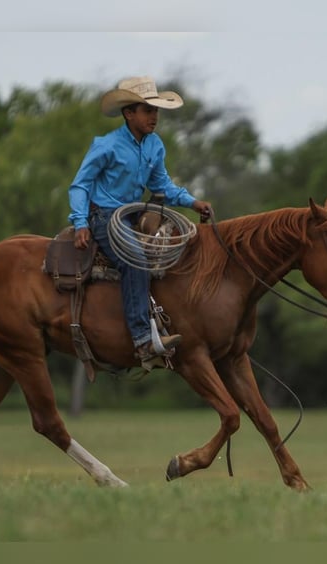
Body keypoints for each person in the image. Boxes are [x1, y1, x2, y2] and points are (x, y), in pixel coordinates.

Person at [67, 76, 212, 367]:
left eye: (156, 111)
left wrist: (193, 202)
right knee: (135, 257)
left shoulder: (155, 146)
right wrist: (81, 222)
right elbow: (80, 185)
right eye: (148, 110)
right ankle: (143, 339)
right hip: (104, 216)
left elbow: (163, 186)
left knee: (177, 246)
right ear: (128, 113)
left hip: (133, 215)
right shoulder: (106, 146)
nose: (154, 117)